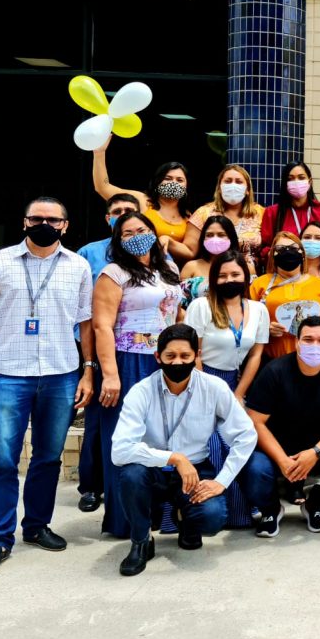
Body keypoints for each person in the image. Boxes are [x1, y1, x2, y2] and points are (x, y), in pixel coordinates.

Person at [0, 197, 96, 576]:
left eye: (53, 220)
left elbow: (86, 323)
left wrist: (87, 372)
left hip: (60, 374)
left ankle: (36, 526)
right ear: (24, 222)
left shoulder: (79, 266)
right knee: (3, 459)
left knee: (48, 457)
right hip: (8, 374)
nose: (45, 224)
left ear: (65, 226)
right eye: (37, 218)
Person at [110, 324, 256, 576]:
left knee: (211, 517)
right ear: (158, 358)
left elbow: (246, 435)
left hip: (195, 471)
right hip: (151, 470)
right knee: (131, 475)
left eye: (185, 356)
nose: (178, 362)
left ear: (196, 356)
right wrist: (174, 458)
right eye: (170, 356)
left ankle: (188, 524)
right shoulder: (140, 392)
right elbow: (120, 450)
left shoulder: (214, 387)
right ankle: (141, 540)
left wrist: (221, 481)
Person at [92, 210, 184, 539]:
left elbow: (177, 311)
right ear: (118, 240)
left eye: (141, 229)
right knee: (125, 440)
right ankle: (125, 521)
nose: (135, 236)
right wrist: (110, 375)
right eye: (127, 233)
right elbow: (102, 325)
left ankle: (162, 513)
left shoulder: (169, 268)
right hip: (129, 361)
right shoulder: (113, 273)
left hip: (167, 363)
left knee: (161, 438)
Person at [240, 317, 320, 536]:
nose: (315, 346)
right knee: (253, 468)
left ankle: (316, 505)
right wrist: (282, 460)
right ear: (297, 342)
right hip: (276, 451)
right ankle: (271, 510)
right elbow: (255, 421)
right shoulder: (274, 372)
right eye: (308, 339)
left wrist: (315, 453)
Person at [185, 250, 270, 525]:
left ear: (245, 276)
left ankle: (243, 509)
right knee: (215, 445)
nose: (229, 280)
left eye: (235, 274)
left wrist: (238, 394)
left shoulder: (258, 310)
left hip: (236, 381)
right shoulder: (201, 306)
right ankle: (224, 509)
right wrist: (207, 393)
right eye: (222, 275)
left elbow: (256, 354)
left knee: (240, 442)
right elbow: (193, 353)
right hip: (202, 380)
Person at [75, 192, 141, 514]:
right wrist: (89, 359)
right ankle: (91, 486)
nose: (123, 215)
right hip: (102, 350)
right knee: (99, 423)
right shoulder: (91, 253)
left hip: (145, 356)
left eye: (130, 213)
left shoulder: (159, 260)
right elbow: (85, 310)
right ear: (108, 219)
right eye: (117, 212)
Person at [92, 139, 193, 262]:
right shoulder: (143, 201)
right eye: (168, 178)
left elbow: (190, 252)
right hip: (135, 262)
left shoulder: (187, 216)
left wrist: (168, 240)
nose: (173, 183)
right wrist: (99, 153)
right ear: (157, 182)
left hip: (167, 271)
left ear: (186, 186)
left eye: (179, 180)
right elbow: (103, 188)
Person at [249, 231, 320, 360]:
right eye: (280, 249)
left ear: (303, 255)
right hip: (272, 359)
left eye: (293, 248)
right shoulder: (259, 284)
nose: (287, 252)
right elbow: (248, 319)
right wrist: (265, 328)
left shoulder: (319, 284)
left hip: (315, 357)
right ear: (272, 255)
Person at [184, 165, 264, 273]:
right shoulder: (203, 213)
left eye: (239, 182)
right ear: (219, 188)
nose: (233, 185)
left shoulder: (261, 213)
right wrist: (166, 240)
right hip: (210, 275)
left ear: (248, 190)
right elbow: (189, 250)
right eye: (228, 181)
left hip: (251, 275)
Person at [260, 161, 320, 261]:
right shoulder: (272, 212)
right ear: (285, 184)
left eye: (301, 177)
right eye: (290, 179)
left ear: (310, 181)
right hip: (285, 271)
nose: (296, 182)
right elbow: (264, 249)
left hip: (317, 271)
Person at [178, 214, 253, 309]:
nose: (215, 239)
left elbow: (250, 301)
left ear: (231, 238)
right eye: (209, 235)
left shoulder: (247, 267)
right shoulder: (191, 267)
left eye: (221, 235)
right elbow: (180, 306)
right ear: (203, 239)